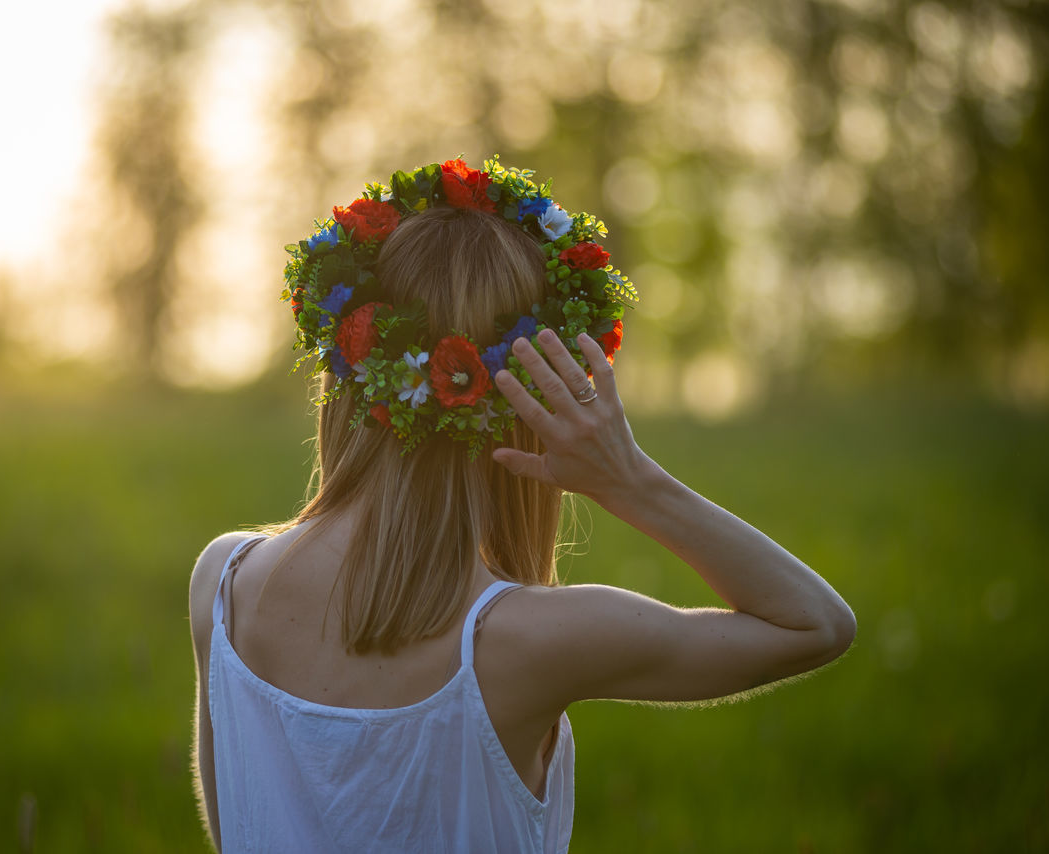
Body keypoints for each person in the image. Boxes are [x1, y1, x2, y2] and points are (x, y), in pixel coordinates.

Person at [188, 158, 855, 853]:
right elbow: (815, 624)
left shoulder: (224, 584)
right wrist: (628, 479)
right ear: (529, 404)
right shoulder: (528, 639)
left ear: (345, 377)